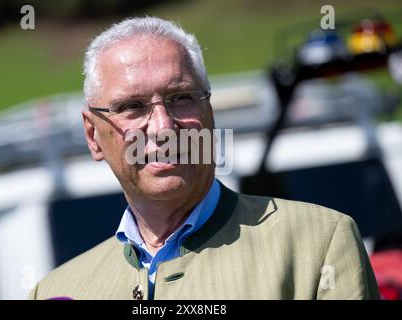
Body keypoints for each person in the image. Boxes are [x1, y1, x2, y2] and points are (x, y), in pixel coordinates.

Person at [29, 17, 380, 300]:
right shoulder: (56, 292)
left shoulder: (316, 245)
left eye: (181, 97)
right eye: (132, 107)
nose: (163, 126)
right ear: (93, 136)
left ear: (209, 114)